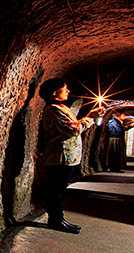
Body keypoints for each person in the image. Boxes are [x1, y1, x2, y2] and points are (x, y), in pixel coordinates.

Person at [39, 77, 99, 233]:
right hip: (60, 156)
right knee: (56, 191)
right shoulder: (54, 109)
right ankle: (55, 220)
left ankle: (58, 219)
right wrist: (90, 117)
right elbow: (73, 129)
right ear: (54, 93)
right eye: (64, 89)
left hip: (66, 156)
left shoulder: (61, 108)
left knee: (59, 190)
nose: (68, 91)